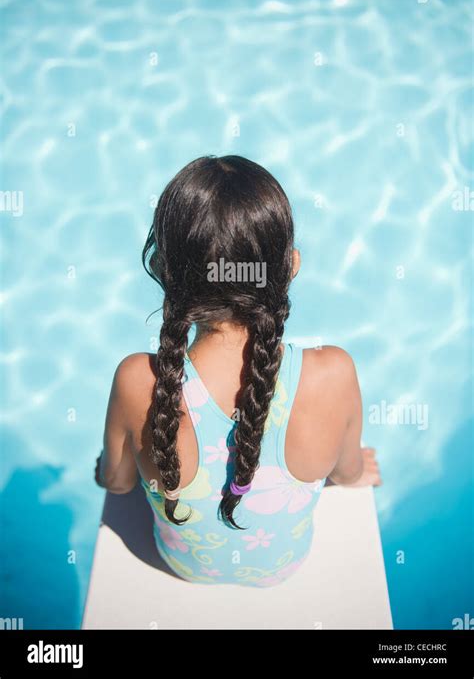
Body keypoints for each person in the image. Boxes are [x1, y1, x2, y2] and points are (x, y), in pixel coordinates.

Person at [96, 155, 381, 586]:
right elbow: (346, 473)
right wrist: (359, 469)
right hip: (284, 569)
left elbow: (116, 484)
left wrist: (106, 465)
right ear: (290, 266)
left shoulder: (139, 381)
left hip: (180, 567)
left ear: (164, 271)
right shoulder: (331, 374)